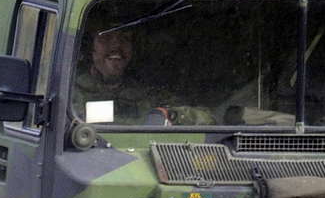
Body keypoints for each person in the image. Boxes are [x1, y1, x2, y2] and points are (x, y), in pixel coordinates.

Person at [71, 27, 216, 125]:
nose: (116, 46)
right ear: (90, 48)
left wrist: (172, 115)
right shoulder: (70, 92)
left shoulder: (146, 94)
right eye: (106, 38)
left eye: (124, 39)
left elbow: (207, 118)